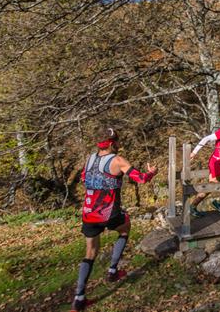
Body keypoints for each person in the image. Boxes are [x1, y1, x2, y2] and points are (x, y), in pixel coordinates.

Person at [70, 128, 157, 312]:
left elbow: (84, 178)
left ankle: (79, 299)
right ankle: (112, 271)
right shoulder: (118, 160)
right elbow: (140, 179)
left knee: (90, 252)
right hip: (108, 213)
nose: (119, 144)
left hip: (88, 212)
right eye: (117, 141)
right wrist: (152, 173)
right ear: (111, 143)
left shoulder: (90, 159)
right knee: (125, 228)